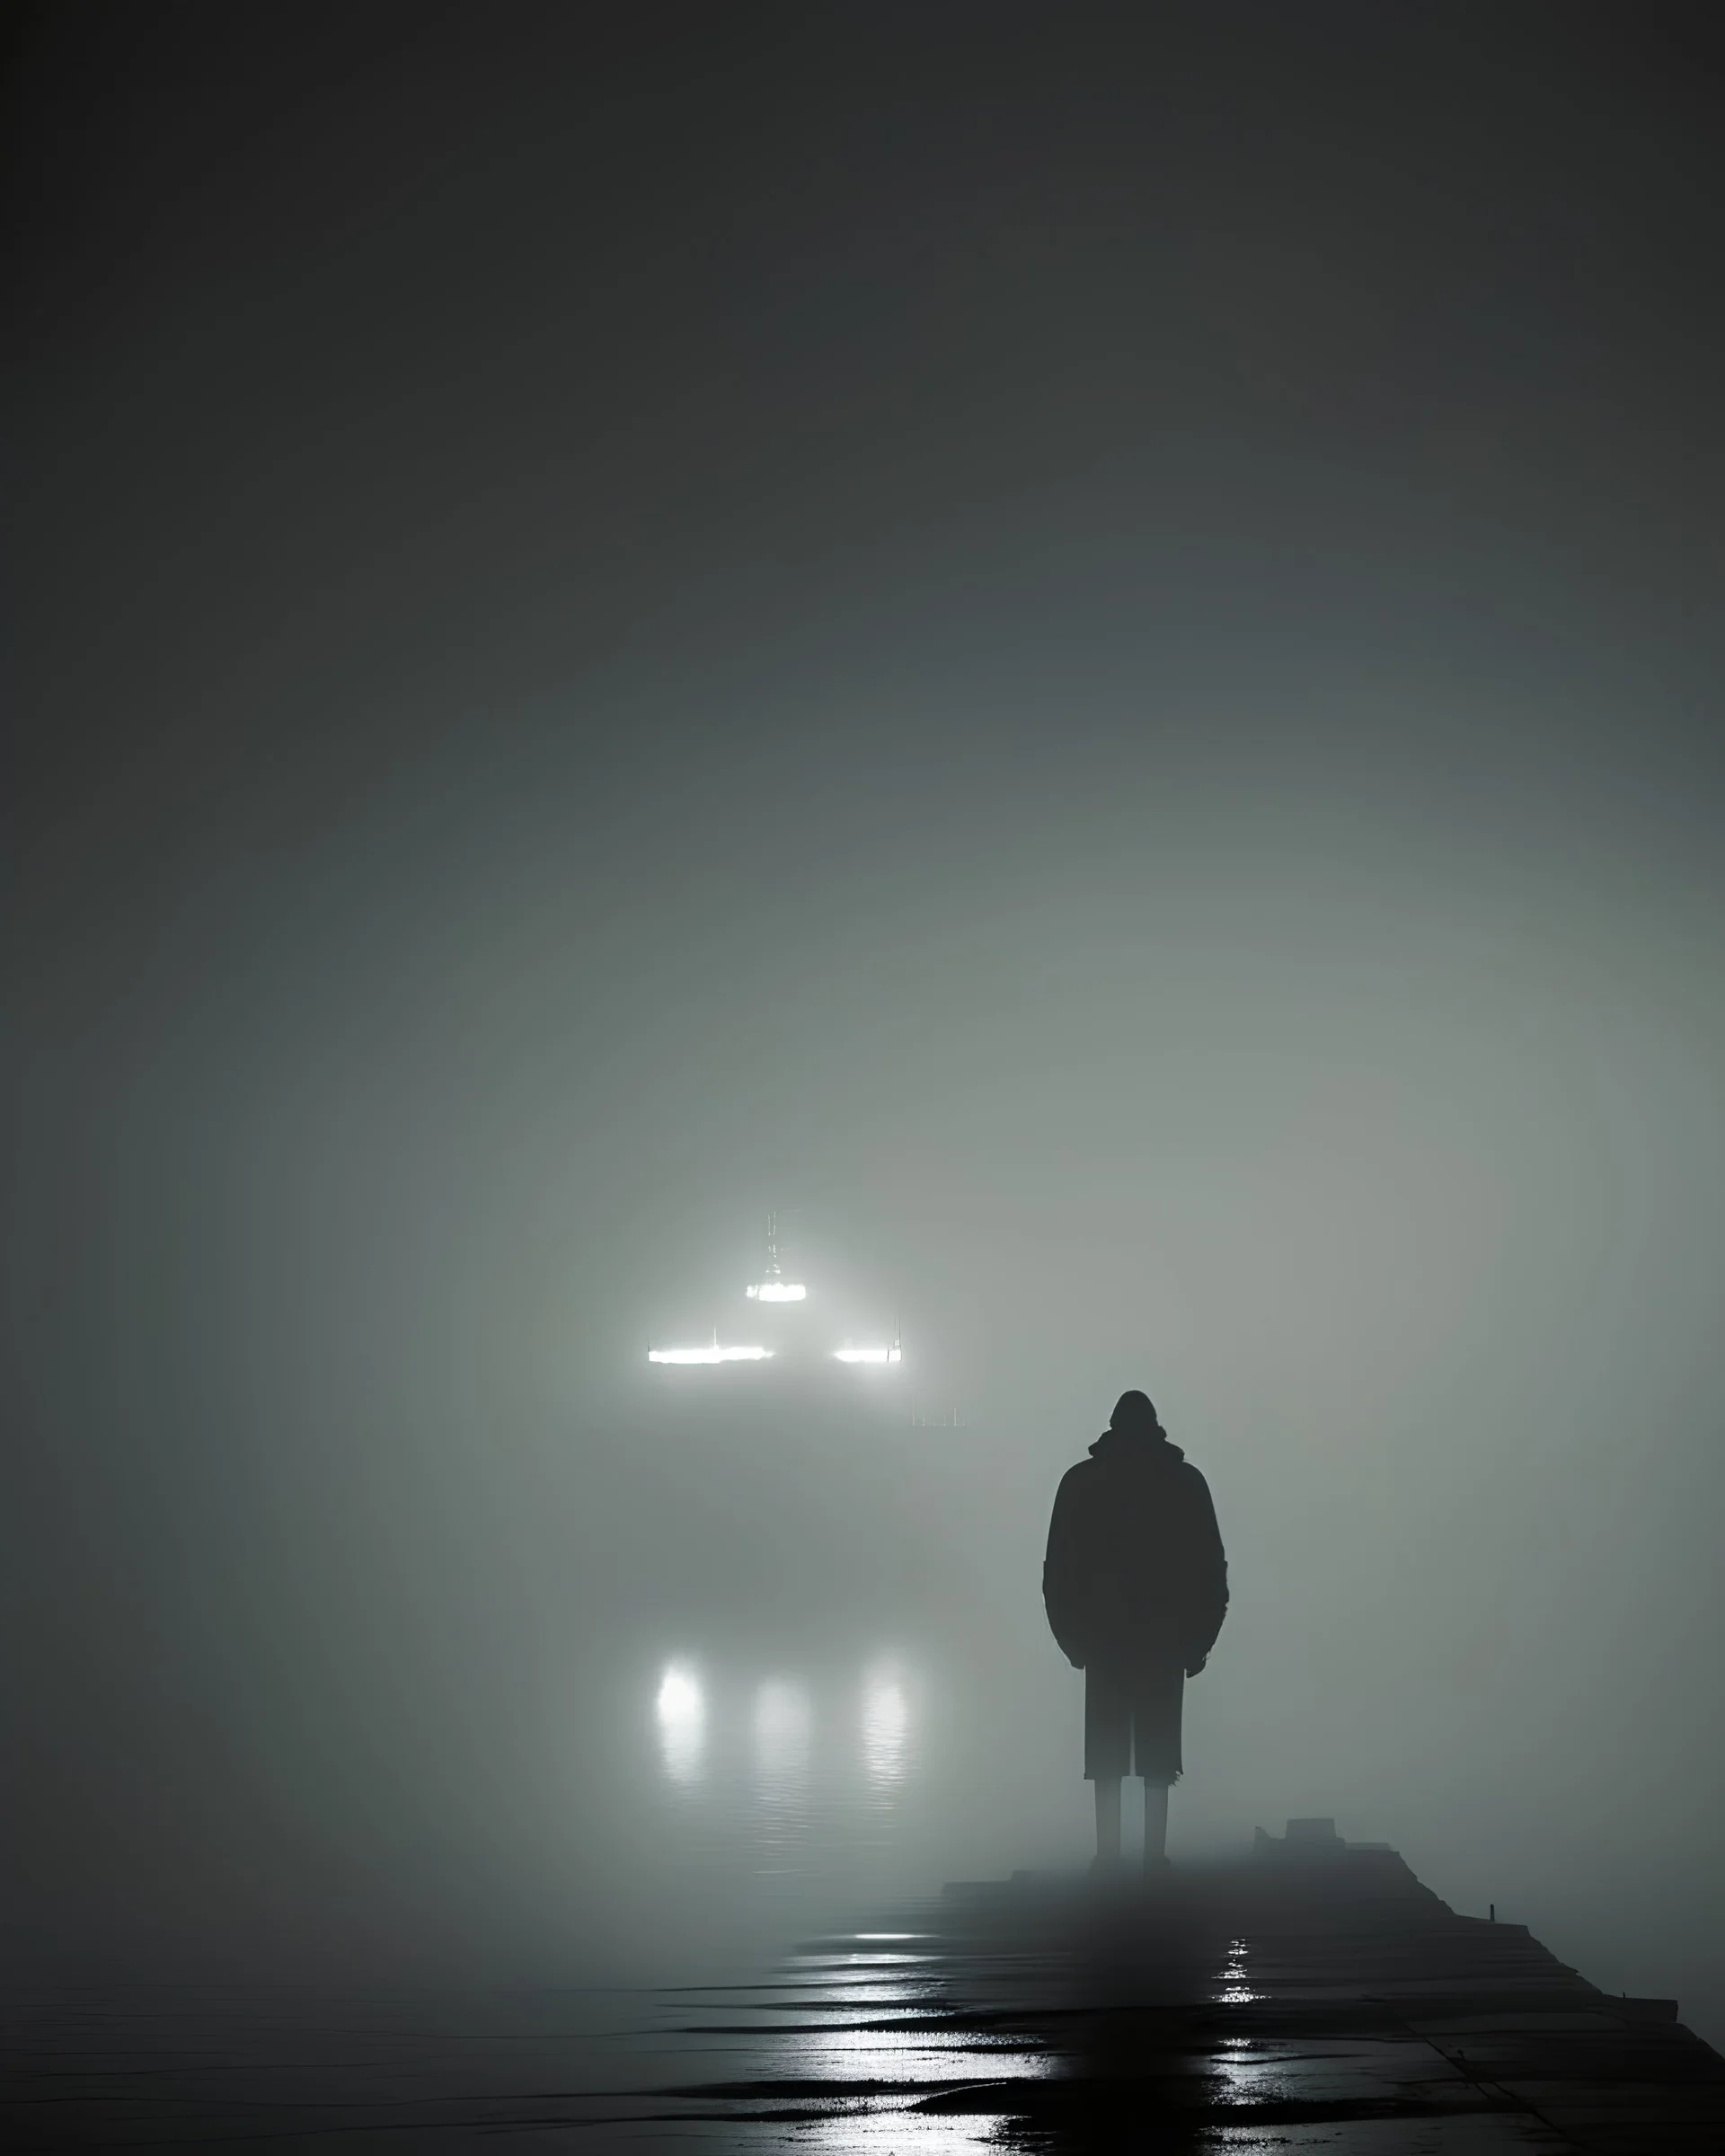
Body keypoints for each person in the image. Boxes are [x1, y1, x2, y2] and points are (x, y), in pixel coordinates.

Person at [1043, 1390, 1228, 1875]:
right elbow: (1210, 1569)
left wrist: (1070, 1640)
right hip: (1163, 1641)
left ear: (1111, 1427)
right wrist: (1199, 1641)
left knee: (1106, 1756)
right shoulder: (1185, 1483)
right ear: (1155, 1427)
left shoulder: (1081, 1482)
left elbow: (1057, 1570)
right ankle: (1153, 1858)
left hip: (1102, 1641)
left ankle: (1107, 1856)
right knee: (1158, 1758)